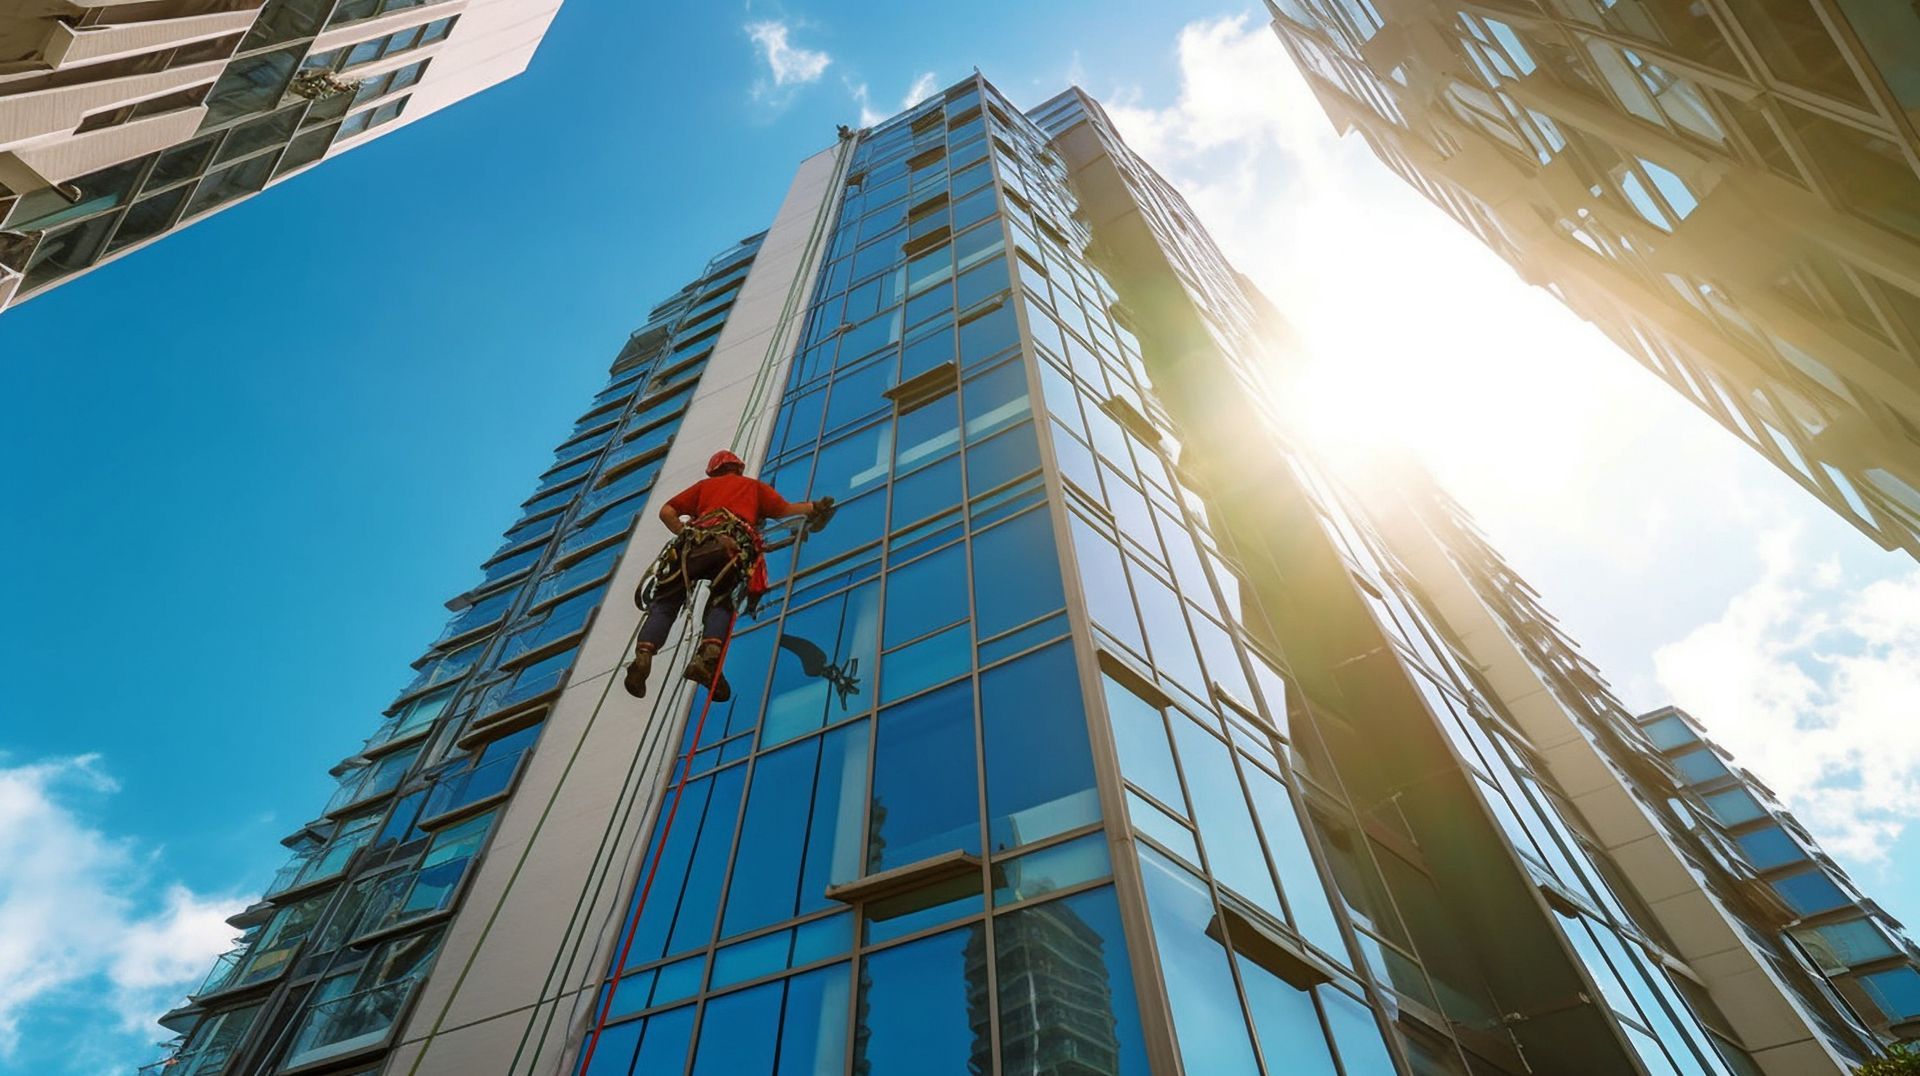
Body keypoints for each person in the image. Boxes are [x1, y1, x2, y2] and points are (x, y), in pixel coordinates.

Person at [624, 450, 833, 700]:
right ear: (739, 468)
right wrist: (814, 507)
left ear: (714, 471)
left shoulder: (704, 487)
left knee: (666, 602)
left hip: (692, 550)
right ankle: (709, 656)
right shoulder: (753, 487)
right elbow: (785, 510)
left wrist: (684, 532)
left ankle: (644, 655)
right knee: (722, 602)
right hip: (730, 549)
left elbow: (667, 511)